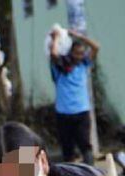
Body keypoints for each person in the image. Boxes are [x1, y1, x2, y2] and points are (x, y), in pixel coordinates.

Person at [50, 27, 100, 166]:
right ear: (70, 52)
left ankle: (91, 174)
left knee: (86, 147)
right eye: (77, 53)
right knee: (67, 149)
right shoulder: (59, 69)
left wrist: (79, 36)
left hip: (81, 112)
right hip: (63, 114)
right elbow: (54, 54)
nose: (80, 56)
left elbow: (96, 47)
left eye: (82, 54)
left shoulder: (84, 64)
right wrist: (56, 38)